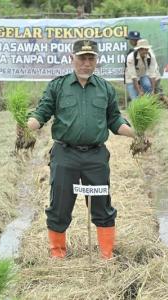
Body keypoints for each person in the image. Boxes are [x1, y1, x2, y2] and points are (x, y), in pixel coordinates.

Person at [26, 39, 136, 259]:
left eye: (91, 58)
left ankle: (106, 254)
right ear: (72, 59)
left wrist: (136, 133)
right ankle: (57, 254)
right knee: (60, 204)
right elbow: (41, 113)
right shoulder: (58, 86)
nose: (86, 63)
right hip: (65, 155)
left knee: (102, 205)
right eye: (82, 58)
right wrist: (25, 127)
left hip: (96, 157)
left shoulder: (105, 88)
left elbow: (114, 120)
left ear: (96, 60)